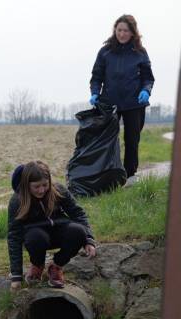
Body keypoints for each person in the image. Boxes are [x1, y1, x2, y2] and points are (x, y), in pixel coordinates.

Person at [8, 161, 97, 290]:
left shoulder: (58, 190)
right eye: (36, 187)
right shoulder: (17, 200)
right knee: (36, 238)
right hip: (36, 236)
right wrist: (16, 276)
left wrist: (89, 239)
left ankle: (56, 266)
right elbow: (14, 236)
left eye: (45, 185)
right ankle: (37, 265)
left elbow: (78, 213)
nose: (42, 190)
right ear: (27, 185)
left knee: (79, 231)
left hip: (59, 230)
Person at [89, 14, 155, 186]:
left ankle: (129, 176)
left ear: (133, 33)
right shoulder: (105, 52)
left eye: (126, 30)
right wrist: (95, 92)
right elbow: (96, 77)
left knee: (132, 140)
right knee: (108, 140)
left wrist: (146, 91)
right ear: (115, 30)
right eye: (119, 30)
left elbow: (148, 78)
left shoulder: (140, 53)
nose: (122, 34)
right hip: (109, 103)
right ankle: (108, 176)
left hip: (134, 104)